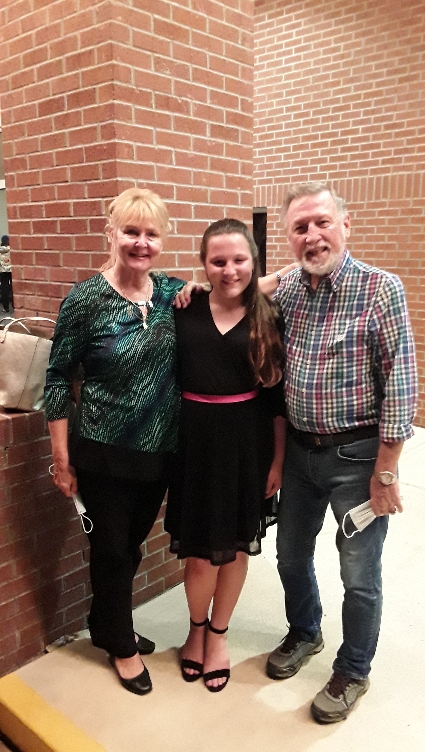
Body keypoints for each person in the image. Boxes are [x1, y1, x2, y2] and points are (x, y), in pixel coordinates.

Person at [264, 182, 417, 722]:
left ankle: (353, 668)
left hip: (358, 457)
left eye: (322, 223)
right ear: (289, 238)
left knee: (358, 572)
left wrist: (386, 470)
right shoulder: (288, 289)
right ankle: (305, 631)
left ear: (346, 225)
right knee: (290, 555)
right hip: (300, 453)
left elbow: (401, 381)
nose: (312, 236)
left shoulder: (380, 289)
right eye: (300, 228)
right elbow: (239, 291)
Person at [45, 188, 188, 696]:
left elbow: (233, 285)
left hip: (158, 453)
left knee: (129, 549)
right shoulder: (85, 300)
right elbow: (58, 377)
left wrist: (292, 272)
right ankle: (122, 646)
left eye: (151, 234)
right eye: (131, 231)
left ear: (162, 240)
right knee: (110, 551)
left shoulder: (172, 293)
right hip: (102, 452)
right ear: (111, 233)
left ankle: (106, 625)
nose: (141, 243)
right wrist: (61, 458)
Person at [165, 218, 286, 692]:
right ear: (203, 264)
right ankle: (195, 630)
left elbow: (276, 400)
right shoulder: (185, 307)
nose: (229, 270)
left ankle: (218, 635)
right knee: (199, 556)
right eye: (218, 261)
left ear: (254, 262)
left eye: (239, 260)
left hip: (247, 445)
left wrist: (277, 461)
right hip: (194, 444)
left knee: (235, 548)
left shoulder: (267, 314)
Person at [0, 234, 13, 313]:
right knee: (13, 287)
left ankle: (6, 307)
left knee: (4, 289)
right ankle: (15, 305)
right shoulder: (11, 249)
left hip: (2, 271)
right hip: (11, 270)